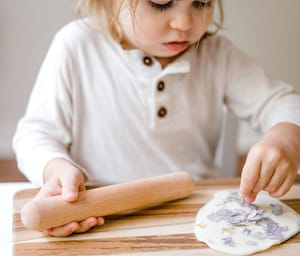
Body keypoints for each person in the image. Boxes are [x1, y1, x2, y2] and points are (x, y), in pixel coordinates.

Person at [13, 0, 300, 237]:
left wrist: (286, 135)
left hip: (196, 215)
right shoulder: (77, 46)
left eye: (201, 2)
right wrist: (54, 168)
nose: (185, 23)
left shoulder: (217, 55)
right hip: (97, 218)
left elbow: (283, 103)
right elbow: (35, 134)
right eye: (161, 3)